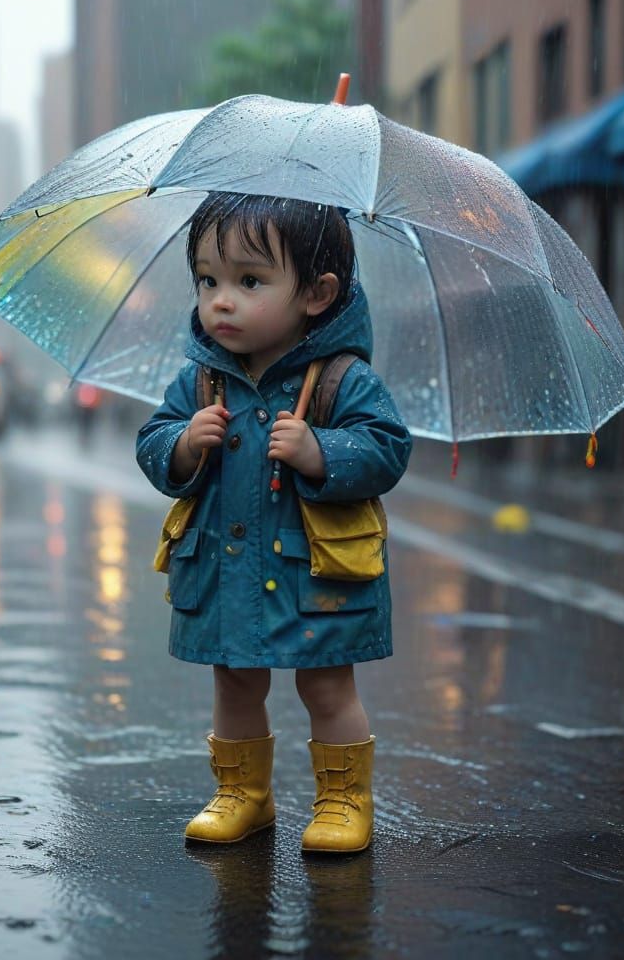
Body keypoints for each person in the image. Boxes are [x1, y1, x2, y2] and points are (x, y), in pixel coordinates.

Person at [135, 192, 412, 853]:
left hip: (314, 570)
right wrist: (182, 442)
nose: (220, 300)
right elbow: (153, 441)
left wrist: (322, 451)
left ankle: (344, 802)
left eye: (249, 281)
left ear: (317, 293)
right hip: (228, 569)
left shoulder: (343, 378)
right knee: (233, 678)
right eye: (208, 280)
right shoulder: (203, 380)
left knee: (326, 683)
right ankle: (242, 794)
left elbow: (388, 446)